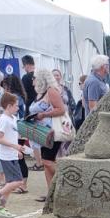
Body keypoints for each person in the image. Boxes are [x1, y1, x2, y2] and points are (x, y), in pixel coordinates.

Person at [0, 92, 35, 218]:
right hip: (7, 156)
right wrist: (15, 147)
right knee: (18, 181)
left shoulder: (13, 118)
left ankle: (1, 207)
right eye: (16, 106)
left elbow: (12, 136)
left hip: (12, 154)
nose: (18, 108)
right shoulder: (4, 119)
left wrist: (18, 150)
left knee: (11, 183)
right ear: (9, 106)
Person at [29, 68, 68, 197]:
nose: (33, 80)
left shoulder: (51, 91)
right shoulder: (42, 92)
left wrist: (43, 114)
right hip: (44, 132)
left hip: (53, 131)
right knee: (47, 162)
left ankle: (67, 181)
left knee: (47, 161)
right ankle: (51, 193)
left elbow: (61, 109)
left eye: (34, 78)